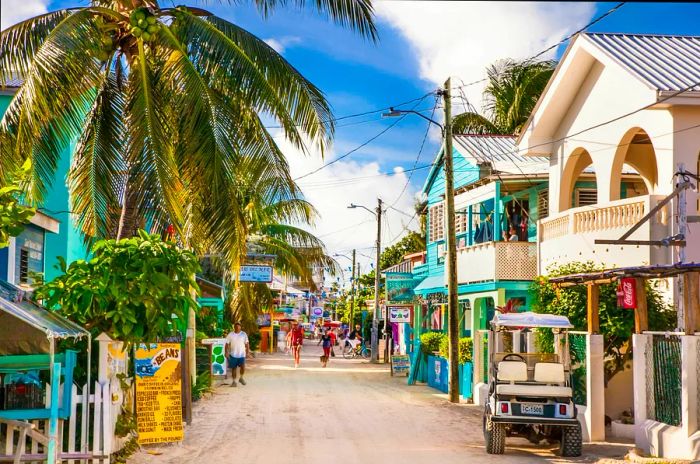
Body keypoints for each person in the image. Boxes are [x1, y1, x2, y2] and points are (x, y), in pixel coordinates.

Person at [225, 322, 249, 387]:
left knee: (243, 367)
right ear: (234, 327)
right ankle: (234, 382)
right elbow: (226, 344)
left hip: (242, 354)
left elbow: (247, 344)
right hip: (233, 355)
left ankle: (241, 378)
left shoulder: (244, 334)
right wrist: (226, 352)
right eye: (236, 327)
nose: (237, 328)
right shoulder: (230, 334)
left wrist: (247, 352)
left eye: (238, 327)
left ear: (240, 327)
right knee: (234, 368)